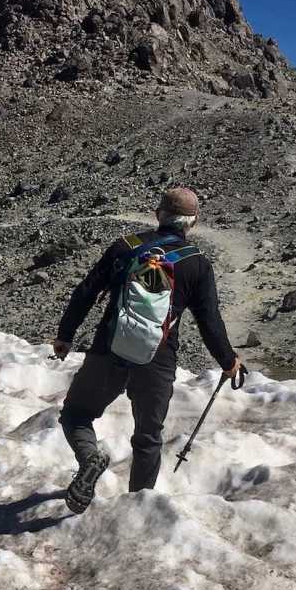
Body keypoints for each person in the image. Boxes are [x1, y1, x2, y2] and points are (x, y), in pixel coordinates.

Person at [51, 186, 242, 512]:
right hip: (158, 358)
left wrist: (65, 335)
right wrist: (228, 360)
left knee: (76, 414)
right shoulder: (196, 264)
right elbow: (209, 320)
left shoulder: (126, 247)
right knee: (148, 438)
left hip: (109, 349)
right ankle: (136, 511)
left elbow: (85, 292)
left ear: (158, 215)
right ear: (192, 223)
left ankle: (90, 457)